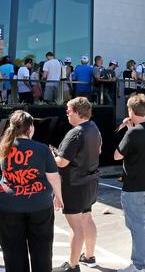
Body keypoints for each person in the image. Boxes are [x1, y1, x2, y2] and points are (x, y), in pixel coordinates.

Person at [0, 110, 63, 272]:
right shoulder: (42, 149)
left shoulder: (4, 148)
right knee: (42, 252)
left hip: (8, 206)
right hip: (39, 205)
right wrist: (59, 197)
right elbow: (53, 177)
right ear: (30, 128)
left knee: (12, 253)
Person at [54, 97, 102, 272]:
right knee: (87, 218)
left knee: (76, 226)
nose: (66, 114)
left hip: (74, 184)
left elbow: (62, 162)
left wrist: (50, 157)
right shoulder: (94, 128)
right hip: (90, 181)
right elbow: (99, 150)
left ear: (76, 112)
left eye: (68, 111)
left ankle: (72, 265)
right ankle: (89, 256)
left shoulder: (75, 133)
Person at [113, 94, 145, 272]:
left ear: (131, 111)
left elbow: (117, 155)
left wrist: (127, 129)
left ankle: (138, 265)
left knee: (137, 227)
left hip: (133, 186)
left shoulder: (133, 132)